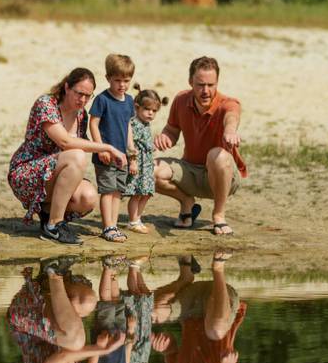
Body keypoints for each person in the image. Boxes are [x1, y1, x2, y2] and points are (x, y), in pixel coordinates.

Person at [8, 67, 127, 246]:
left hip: (54, 173)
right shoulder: (46, 104)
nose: (83, 100)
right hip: (26, 173)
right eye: (79, 93)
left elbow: (81, 143)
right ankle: (54, 226)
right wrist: (108, 147)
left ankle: (47, 213)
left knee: (88, 197)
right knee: (77, 156)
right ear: (66, 87)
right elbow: (65, 142)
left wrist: (105, 152)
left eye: (88, 96)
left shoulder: (81, 115)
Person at [7, 260, 124, 363]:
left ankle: (54, 275)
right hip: (48, 318)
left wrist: (103, 350)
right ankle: (50, 278)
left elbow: (62, 357)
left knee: (76, 342)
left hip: (25, 316)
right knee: (86, 301)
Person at [154, 56, 248, 236]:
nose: (206, 91)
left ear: (217, 82)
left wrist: (230, 131)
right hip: (190, 171)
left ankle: (219, 215)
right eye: (200, 84)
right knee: (149, 170)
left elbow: (232, 117)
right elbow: (172, 131)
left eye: (211, 85)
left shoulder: (229, 104)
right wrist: (165, 137)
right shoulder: (181, 100)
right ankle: (186, 202)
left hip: (222, 176)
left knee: (217, 155)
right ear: (190, 82)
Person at [152, 251, 245, 363]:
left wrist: (164, 346)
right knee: (216, 331)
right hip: (220, 300)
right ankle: (218, 268)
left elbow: (171, 347)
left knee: (154, 313)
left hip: (191, 309)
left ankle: (185, 275)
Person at [89, 54, 137, 243]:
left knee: (118, 190)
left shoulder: (129, 101)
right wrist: (101, 149)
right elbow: (93, 124)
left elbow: (128, 127)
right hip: (105, 155)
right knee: (107, 190)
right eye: (117, 80)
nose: (122, 85)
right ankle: (107, 226)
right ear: (108, 78)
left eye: (126, 80)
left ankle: (114, 226)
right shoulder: (102, 99)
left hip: (123, 156)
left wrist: (131, 151)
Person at [123, 85, 168, 234]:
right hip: (139, 164)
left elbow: (144, 142)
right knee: (137, 193)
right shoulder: (134, 123)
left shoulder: (146, 124)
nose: (150, 113)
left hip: (147, 164)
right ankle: (132, 221)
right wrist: (133, 161)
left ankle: (138, 218)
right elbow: (131, 144)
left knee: (146, 193)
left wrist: (152, 146)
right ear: (137, 107)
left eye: (154, 111)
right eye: (147, 109)